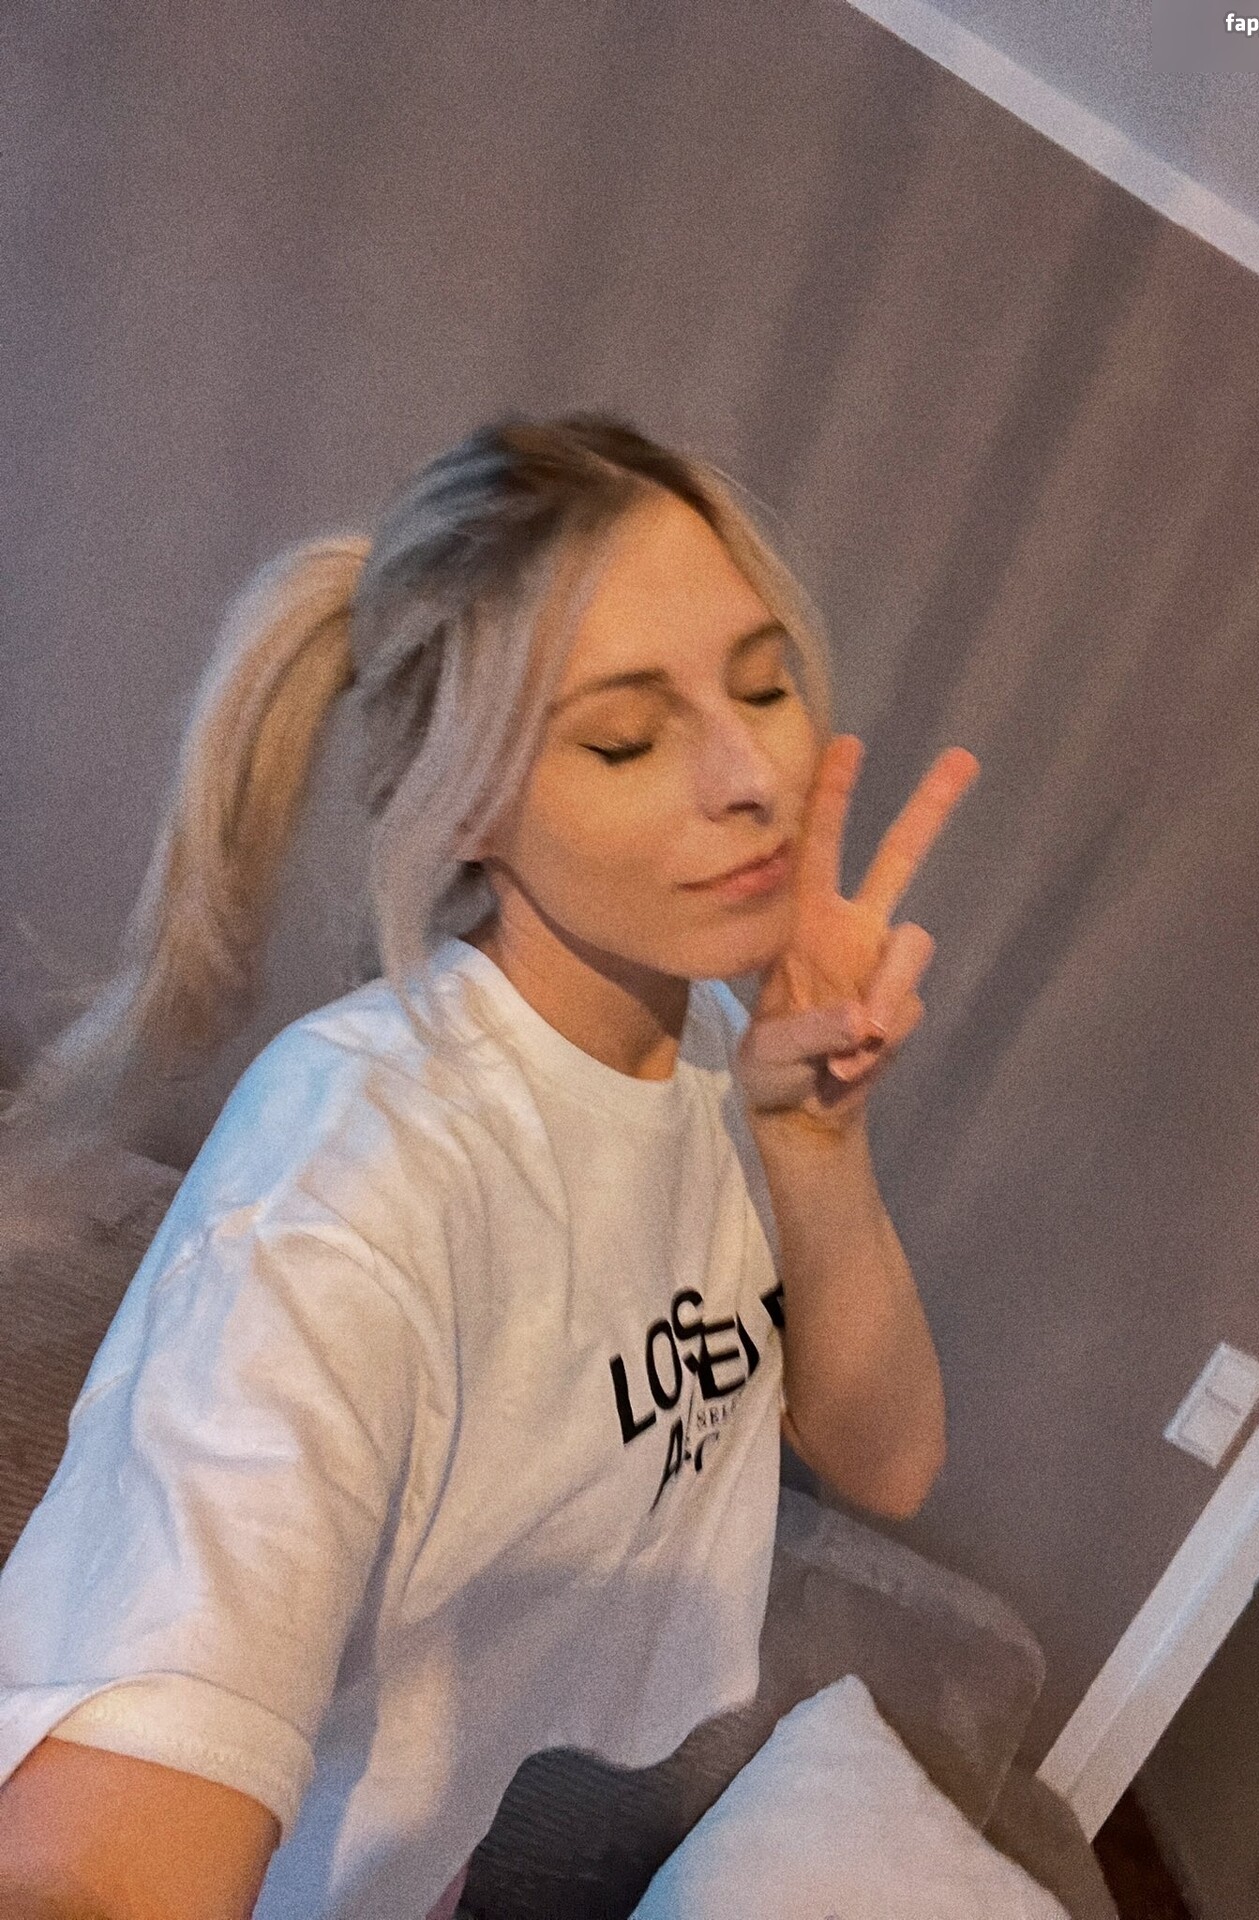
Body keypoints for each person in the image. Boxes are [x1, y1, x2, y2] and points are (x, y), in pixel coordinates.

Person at [0, 413, 977, 1920]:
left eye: (762, 683)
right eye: (626, 737)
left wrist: (816, 1142)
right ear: (468, 805)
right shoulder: (357, 1174)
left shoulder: (723, 1045)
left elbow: (890, 1458)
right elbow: (98, 1861)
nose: (750, 775)